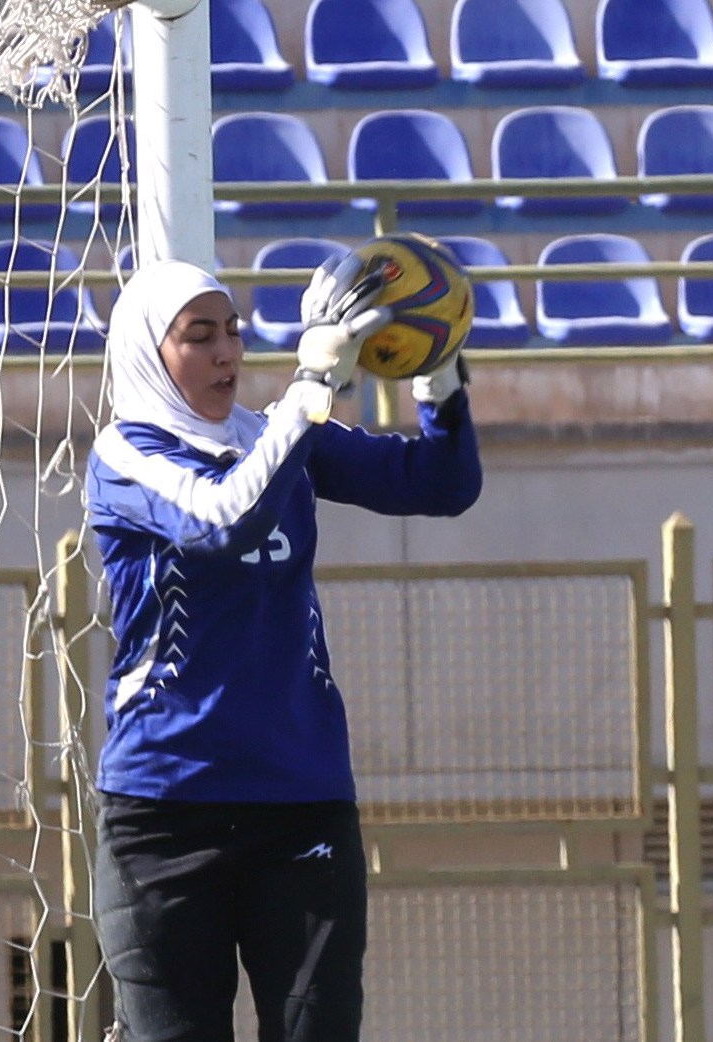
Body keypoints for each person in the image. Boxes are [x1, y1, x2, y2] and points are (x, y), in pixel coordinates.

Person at [84, 256, 483, 1042]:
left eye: (232, 331)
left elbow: (442, 484)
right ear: (146, 354)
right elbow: (223, 519)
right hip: (164, 817)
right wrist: (310, 387)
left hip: (301, 806)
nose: (227, 352)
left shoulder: (276, 432)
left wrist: (436, 371)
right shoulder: (124, 455)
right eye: (199, 337)